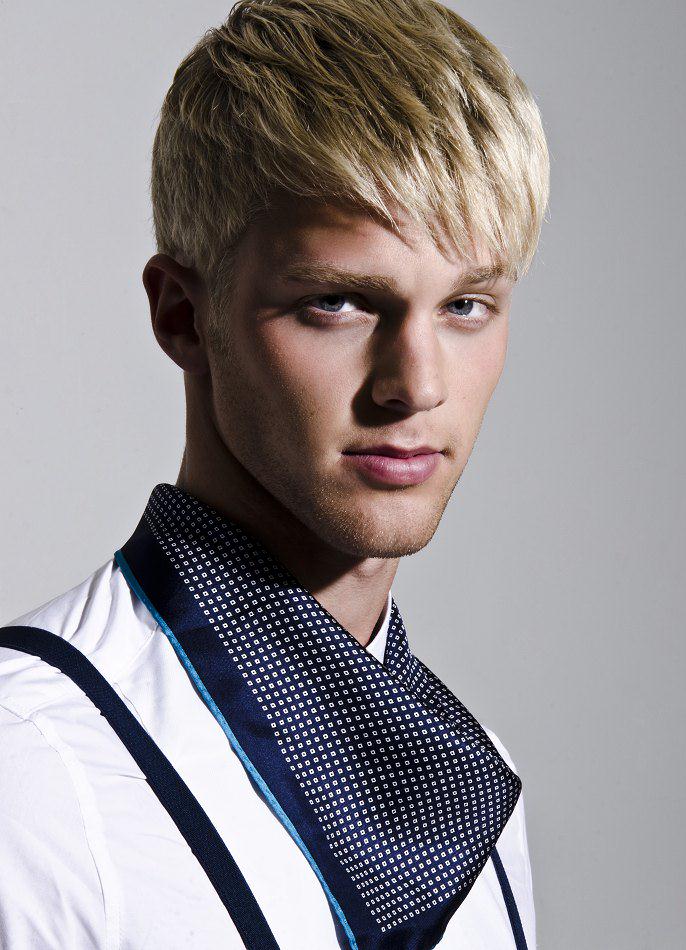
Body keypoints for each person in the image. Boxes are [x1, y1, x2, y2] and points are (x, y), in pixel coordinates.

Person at [0, 0, 549, 947]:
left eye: (466, 305)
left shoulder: (473, 787)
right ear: (183, 317)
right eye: (339, 302)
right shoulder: (30, 774)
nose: (417, 385)